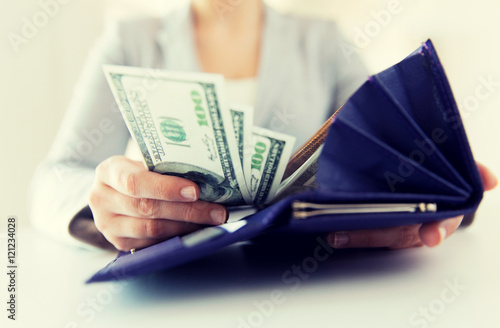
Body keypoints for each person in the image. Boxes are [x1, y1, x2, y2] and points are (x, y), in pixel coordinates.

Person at [29, 0, 497, 251]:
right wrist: (107, 212)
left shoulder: (323, 41)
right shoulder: (129, 41)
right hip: (184, 291)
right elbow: (54, 177)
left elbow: (387, 139)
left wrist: (441, 185)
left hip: (315, 285)